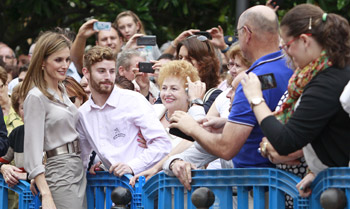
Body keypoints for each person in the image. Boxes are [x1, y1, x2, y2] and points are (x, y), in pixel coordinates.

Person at [168, 6, 293, 181]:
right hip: (288, 184)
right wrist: (227, 122)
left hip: (253, 189)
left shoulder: (249, 81)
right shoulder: (294, 67)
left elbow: (226, 148)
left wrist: (192, 127)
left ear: (247, 33)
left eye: (238, 33)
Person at [241, 4, 350, 197]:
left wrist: (256, 99)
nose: (287, 53)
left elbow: (286, 141)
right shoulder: (330, 73)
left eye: (287, 46)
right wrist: (317, 172)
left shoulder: (327, 81)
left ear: (305, 41)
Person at [77, 46, 171, 177]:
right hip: (109, 189)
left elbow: (162, 144)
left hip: (144, 185)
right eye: (101, 71)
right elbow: (82, 160)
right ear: (86, 72)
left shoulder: (134, 100)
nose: (108, 77)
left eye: (111, 71)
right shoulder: (83, 113)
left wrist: (132, 166)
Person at [21, 31, 86, 209]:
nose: (65, 65)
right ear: (42, 61)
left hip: (77, 166)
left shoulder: (63, 91)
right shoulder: (36, 97)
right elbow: (33, 151)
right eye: (58, 60)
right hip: (59, 171)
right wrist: (46, 193)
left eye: (67, 60)